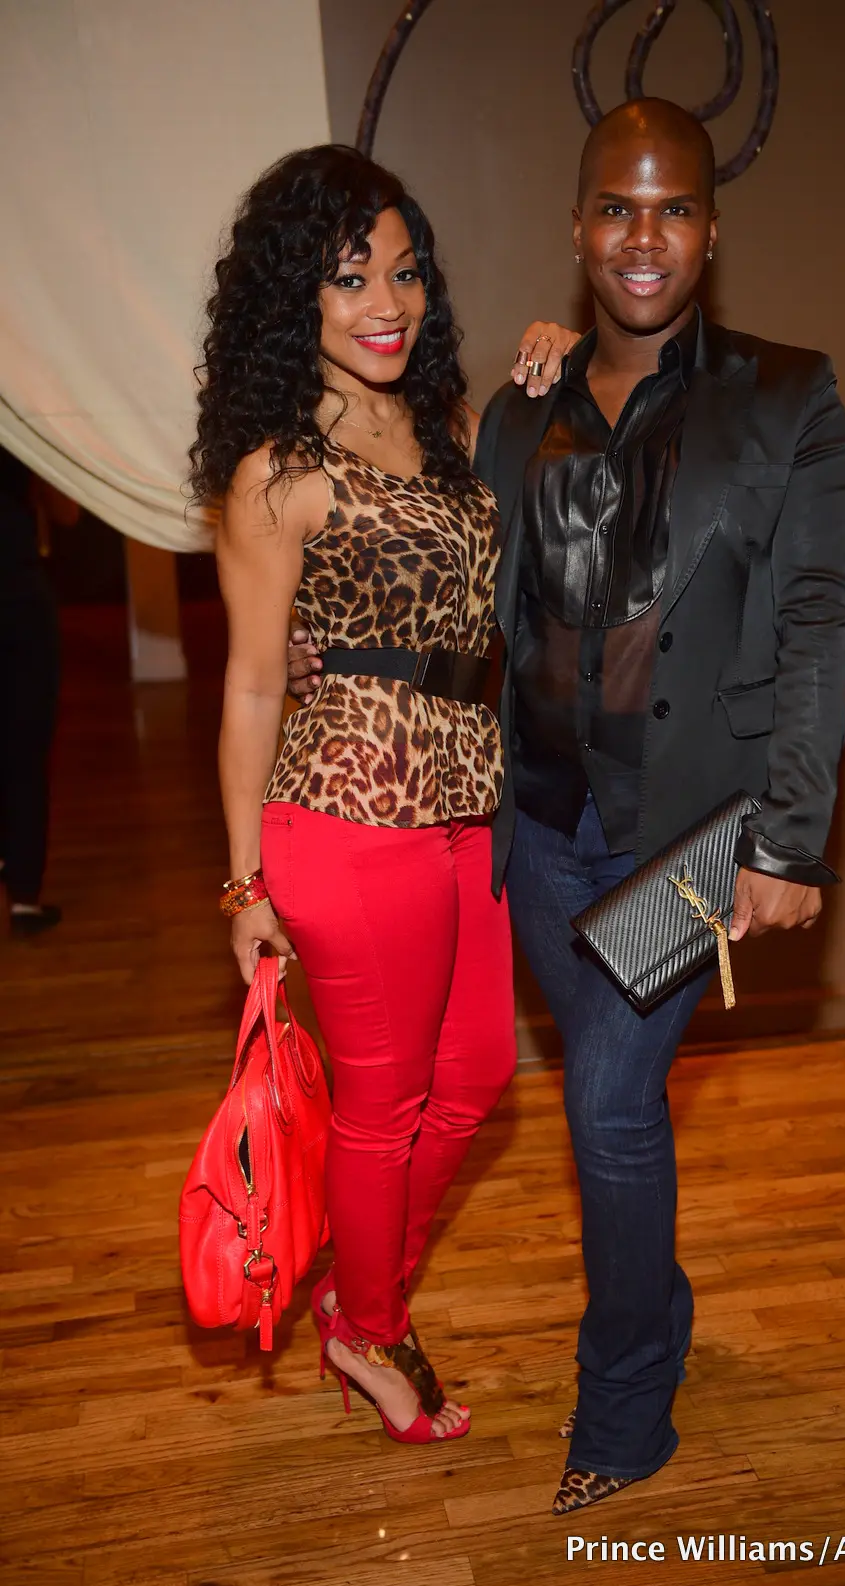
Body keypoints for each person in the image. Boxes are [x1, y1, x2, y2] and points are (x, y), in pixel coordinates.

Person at [290, 98, 845, 1512]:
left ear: (711, 230)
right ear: (578, 228)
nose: (642, 236)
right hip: (538, 830)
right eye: (617, 208)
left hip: (694, 837)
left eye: (672, 208)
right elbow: (452, 578)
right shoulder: (520, 413)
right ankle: (657, 1306)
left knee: (607, 1105)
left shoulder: (792, 397)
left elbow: (818, 621)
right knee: (616, 1111)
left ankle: (625, 1408)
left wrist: (792, 840)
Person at [192, 145, 576, 1444]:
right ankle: (372, 1325)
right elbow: (253, 685)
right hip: (346, 816)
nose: (387, 302)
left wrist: (551, 362)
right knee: (385, 1106)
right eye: (351, 276)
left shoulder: (449, 427)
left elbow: (551, 488)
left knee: (476, 1074)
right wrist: (244, 886)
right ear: (294, 293)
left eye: (405, 272)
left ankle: (362, 1300)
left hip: (469, 801)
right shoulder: (276, 472)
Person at [0, 448, 64, 937]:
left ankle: (22, 886)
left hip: (20, 594)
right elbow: (66, 510)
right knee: (26, 744)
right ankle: (24, 894)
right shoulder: (23, 421)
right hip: (18, 593)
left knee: (25, 743)